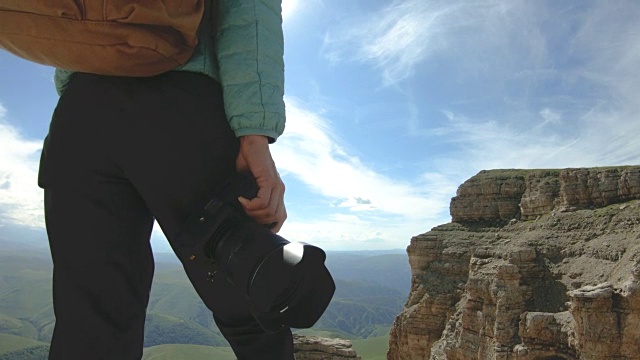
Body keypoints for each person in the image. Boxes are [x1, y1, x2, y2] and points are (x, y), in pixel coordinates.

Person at [36, 0, 291, 358]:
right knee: (256, 297)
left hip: (79, 116)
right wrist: (254, 132)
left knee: (90, 330)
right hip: (181, 104)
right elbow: (249, 10)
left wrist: (90, 91)